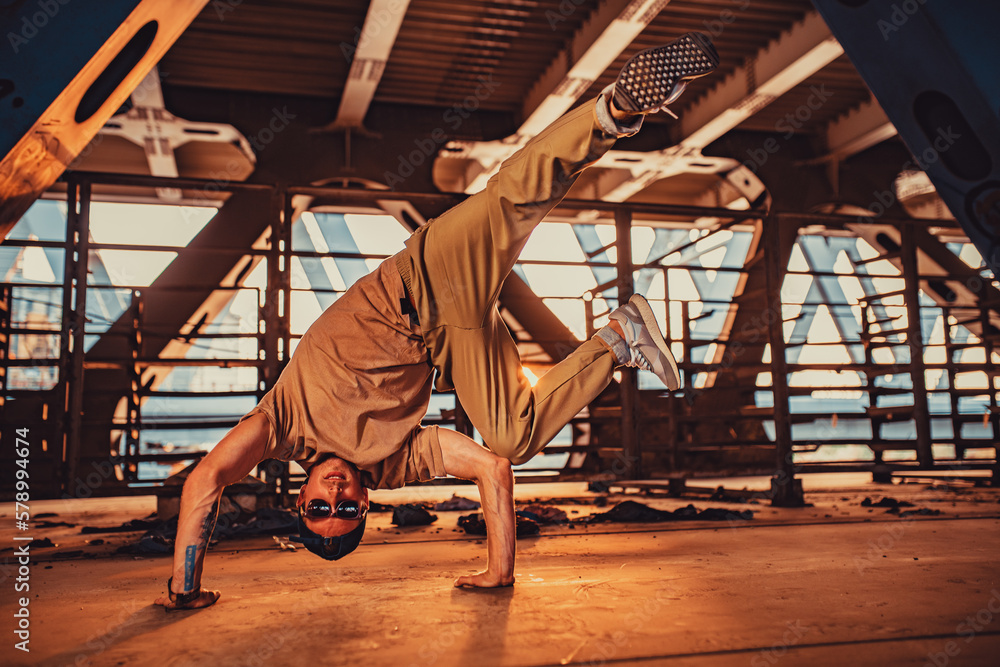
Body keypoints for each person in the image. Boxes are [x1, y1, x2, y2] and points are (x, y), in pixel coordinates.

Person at [154, 32, 719, 610]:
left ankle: (617, 108)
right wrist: (500, 573)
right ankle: (619, 339)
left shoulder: (283, 425)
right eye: (345, 512)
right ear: (365, 507)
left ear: (298, 498)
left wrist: (185, 588)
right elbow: (491, 468)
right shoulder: (394, 464)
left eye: (320, 508)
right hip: (453, 344)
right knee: (510, 436)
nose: (335, 497)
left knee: (515, 198)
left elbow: (207, 481)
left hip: (428, 278)